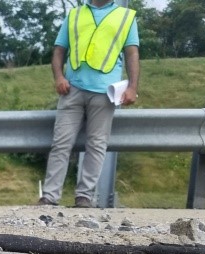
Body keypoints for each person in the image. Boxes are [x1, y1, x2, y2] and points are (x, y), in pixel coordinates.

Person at [38, 0, 139, 208]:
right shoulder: (74, 15)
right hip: (71, 88)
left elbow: (132, 53)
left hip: (105, 91)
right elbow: (59, 50)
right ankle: (49, 197)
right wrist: (58, 77)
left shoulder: (126, 17)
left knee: (97, 144)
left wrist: (132, 87)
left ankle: (84, 197)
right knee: (61, 143)